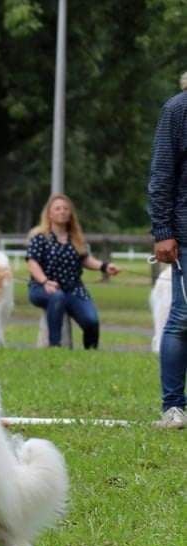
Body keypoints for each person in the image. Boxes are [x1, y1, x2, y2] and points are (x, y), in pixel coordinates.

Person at [26, 194, 119, 349]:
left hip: (74, 289)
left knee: (91, 321)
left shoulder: (76, 237)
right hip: (43, 287)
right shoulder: (39, 237)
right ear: (49, 213)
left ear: (70, 213)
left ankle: (91, 352)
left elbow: (85, 259)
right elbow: (32, 262)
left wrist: (104, 266)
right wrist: (44, 281)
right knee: (57, 296)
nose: (62, 212)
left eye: (65, 209)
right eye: (57, 208)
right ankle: (55, 346)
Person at [147, 72, 187, 429]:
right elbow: (162, 174)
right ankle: (174, 407)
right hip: (186, 232)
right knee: (183, 317)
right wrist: (163, 231)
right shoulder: (177, 110)